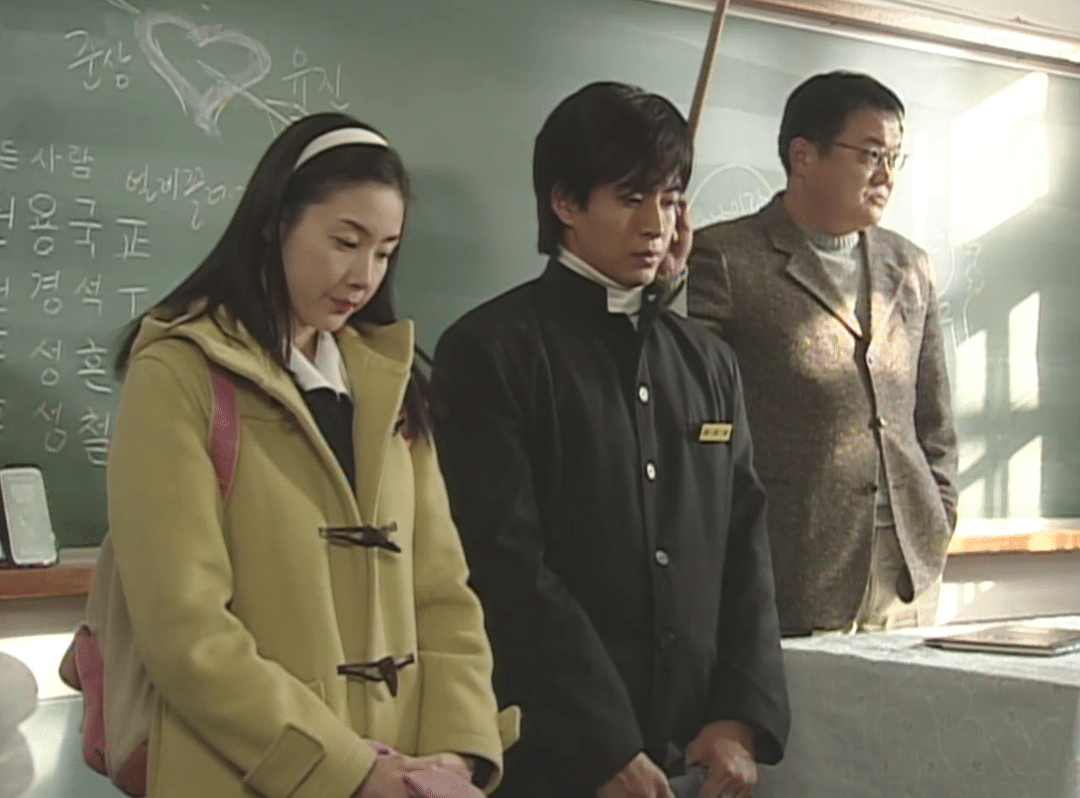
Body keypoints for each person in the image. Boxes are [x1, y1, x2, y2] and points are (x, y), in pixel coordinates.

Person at [105, 112, 514, 798]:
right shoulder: (181, 374)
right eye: (345, 242)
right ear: (275, 222)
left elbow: (443, 592)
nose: (363, 276)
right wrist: (349, 771)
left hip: (400, 775)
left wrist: (455, 752)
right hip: (241, 773)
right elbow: (186, 631)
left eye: (384, 252)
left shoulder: (388, 384)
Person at [431, 82, 789, 798]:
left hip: (695, 752)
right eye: (631, 199)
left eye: (671, 199)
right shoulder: (490, 350)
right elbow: (505, 567)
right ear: (565, 203)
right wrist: (599, 743)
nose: (656, 224)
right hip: (555, 757)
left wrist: (738, 718)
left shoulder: (707, 361)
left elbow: (743, 546)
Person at [688, 71, 959, 636]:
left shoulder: (909, 266)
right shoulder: (726, 258)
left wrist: (939, 512)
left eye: (895, 158)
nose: (886, 175)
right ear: (803, 156)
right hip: (791, 565)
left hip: (906, 568)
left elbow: (933, 416)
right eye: (870, 155)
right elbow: (693, 423)